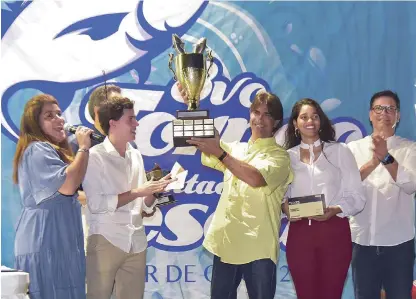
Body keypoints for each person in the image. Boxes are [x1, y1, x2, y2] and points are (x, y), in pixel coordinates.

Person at [186, 90, 293, 299]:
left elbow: (255, 178)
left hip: (258, 248)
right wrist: (192, 102)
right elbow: (209, 142)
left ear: (277, 122)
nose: (260, 119)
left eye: (267, 114)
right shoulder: (235, 148)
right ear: (249, 115)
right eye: (256, 112)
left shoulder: (280, 157)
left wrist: (221, 153)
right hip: (226, 242)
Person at [82, 96, 174, 299]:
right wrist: (140, 191)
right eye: (130, 119)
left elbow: (144, 207)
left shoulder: (136, 155)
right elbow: (96, 204)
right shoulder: (95, 157)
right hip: (106, 239)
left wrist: (154, 191)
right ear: (113, 123)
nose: (137, 123)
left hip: (136, 241)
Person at [281, 98, 366, 299]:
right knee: (306, 295)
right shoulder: (286, 157)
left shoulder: (339, 151)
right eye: (304, 117)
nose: (310, 121)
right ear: (295, 123)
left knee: (331, 294)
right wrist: (285, 208)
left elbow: (357, 195)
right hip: (300, 235)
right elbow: (281, 195)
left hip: (334, 232)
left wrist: (335, 209)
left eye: (315, 116)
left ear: (321, 121)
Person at [13, 94, 93, 299]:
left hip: (62, 241)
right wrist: (83, 147)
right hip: (46, 240)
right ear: (35, 123)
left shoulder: (52, 150)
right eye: (49, 115)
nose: (60, 119)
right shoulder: (37, 149)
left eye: (59, 114)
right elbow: (68, 185)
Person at [347, 90, 416, 299]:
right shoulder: (353, 149)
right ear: (370, 114)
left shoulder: (410, 149)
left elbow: (411, 185)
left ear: (398, 116)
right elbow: (345, 188)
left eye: (390, 109)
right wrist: (372, 162)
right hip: (362, 242)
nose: (384, 113)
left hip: (399, 243)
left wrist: (386, 158)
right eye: (379, 108)